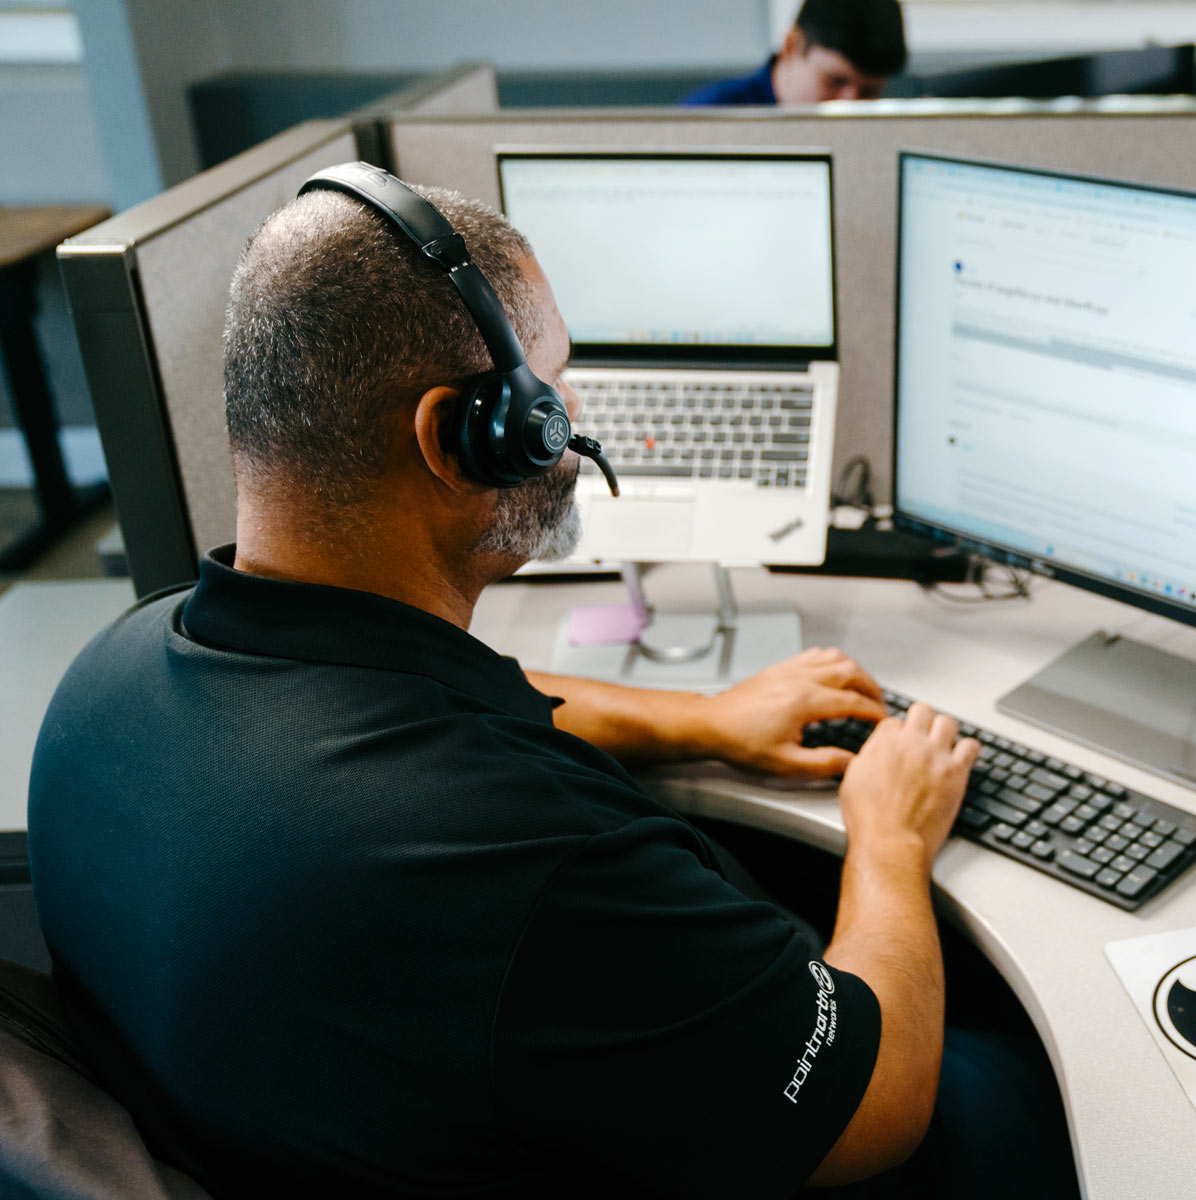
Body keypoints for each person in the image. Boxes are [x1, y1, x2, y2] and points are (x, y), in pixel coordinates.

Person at [27, 176, 1076, 1199]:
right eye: (553, 382)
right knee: (1043, 1078)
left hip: (327, 1130)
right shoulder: (521, 853)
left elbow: (424, 707)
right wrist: (889, 838)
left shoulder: (112, 677)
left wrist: (703, 719)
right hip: (776, 1140)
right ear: (463, 437)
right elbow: (868, 1118)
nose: (571, 415)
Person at [682, 0, 907, 106]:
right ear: (792, 45)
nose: (849, 105)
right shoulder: (711, 115)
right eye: (834, 81)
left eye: (869, 92)